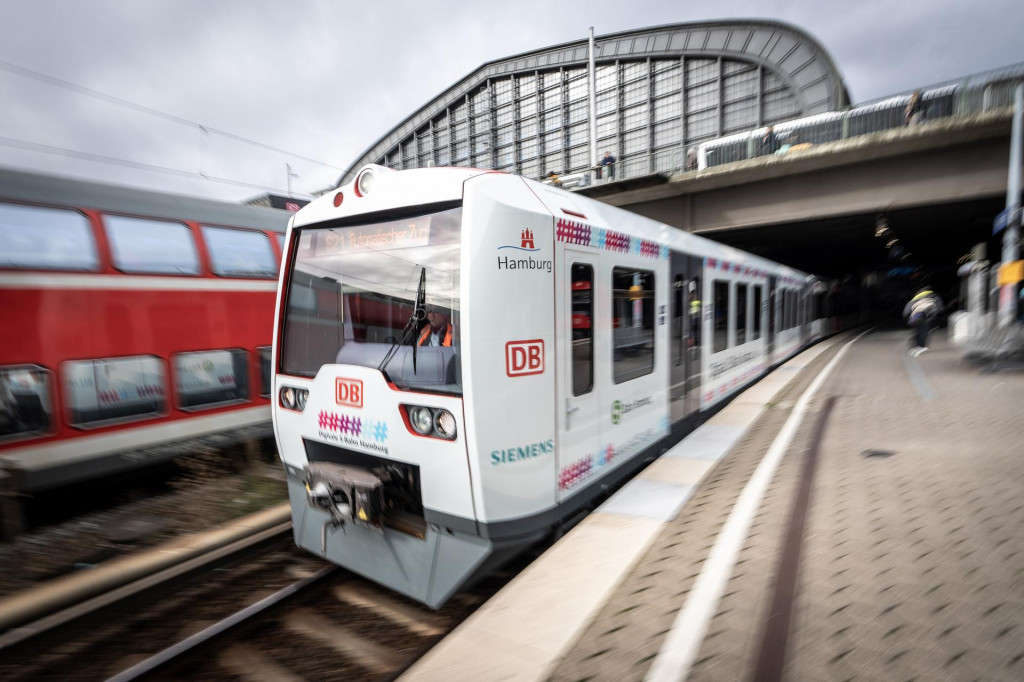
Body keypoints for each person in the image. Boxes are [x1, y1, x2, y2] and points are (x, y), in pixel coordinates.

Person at [903, 285, 942, 355]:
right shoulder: (933, 296)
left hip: (913, 318)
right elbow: (939, 308)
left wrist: (907, 317)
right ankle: (922, 347)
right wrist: (933, 317)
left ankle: (915, 346)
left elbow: (907, 310)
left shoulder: (916, 297)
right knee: (924, 331)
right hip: (923, 317)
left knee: (918, 331)